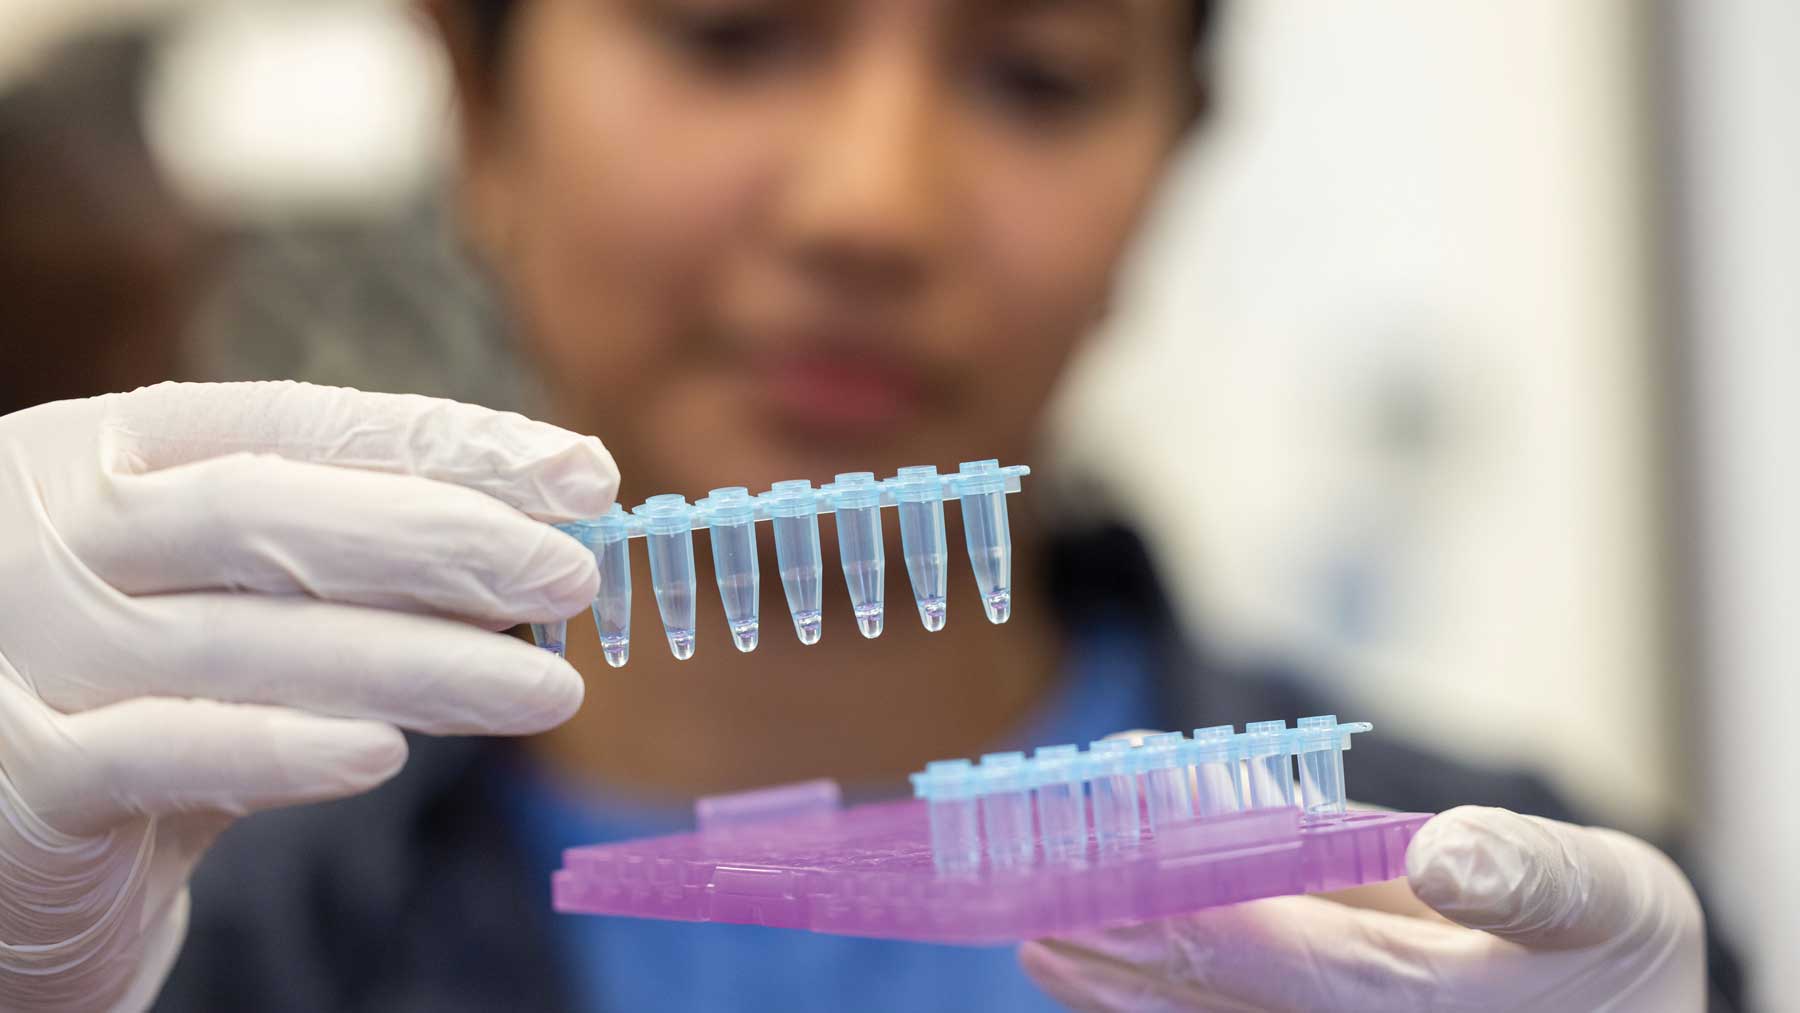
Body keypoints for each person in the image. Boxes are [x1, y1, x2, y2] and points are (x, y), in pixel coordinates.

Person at [0, 1, 1738, 1009]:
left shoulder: (1488, 924)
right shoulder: (159, 931)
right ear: (478, 97)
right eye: (734, 34)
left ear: (1172, 157)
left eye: (1035, 74)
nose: (871, 204)